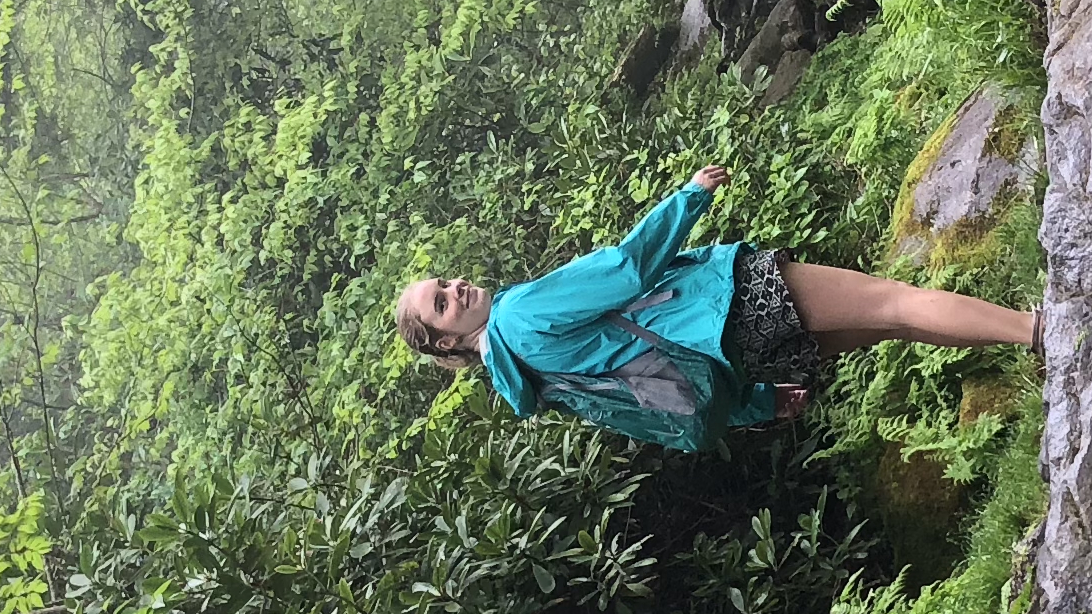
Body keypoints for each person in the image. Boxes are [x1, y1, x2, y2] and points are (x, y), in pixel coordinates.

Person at [394, 165, 1035, 452]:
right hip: (723, 303)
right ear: (447, 343)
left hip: (727, 360)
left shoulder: (528, 379)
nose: (457, 290)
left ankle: (1024, 337)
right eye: (442, 304)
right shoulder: (520, 317)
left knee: (890, 325)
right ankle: (1038, 330)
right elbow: (625, 269)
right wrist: (689, 198)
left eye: (444, 283)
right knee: (894, 302)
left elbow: (643, 403)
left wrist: (757, 404)